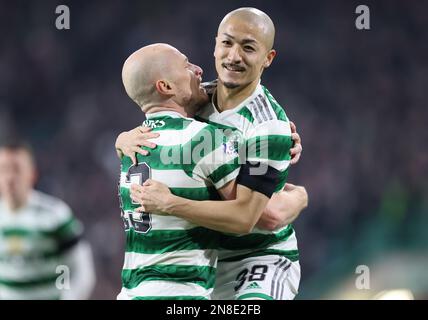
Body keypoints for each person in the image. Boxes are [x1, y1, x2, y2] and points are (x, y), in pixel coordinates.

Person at [117, 8, 307, 300]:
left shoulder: (267, 127)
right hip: (208, 262)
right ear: (215, 44)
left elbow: (258, 217)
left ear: (267, 59)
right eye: (227, 43)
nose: (233, 56)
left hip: (258, 257)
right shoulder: (196, 99)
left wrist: (299, 197)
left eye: (248, 48)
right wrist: (122, 140)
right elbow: (158, 117)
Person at [117, 43, 252, 300]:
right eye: (186, 66)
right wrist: (297, 195)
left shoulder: (130, 148)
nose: (198, 69)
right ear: (165, 87)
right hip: (178, 296)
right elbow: (247, 216)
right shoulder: (203, 139)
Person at [0, 140, 95, 300]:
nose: (10, 177)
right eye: (4, 169)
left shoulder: (55, 215)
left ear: (32, 174)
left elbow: (81, 270)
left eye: (17, 169)